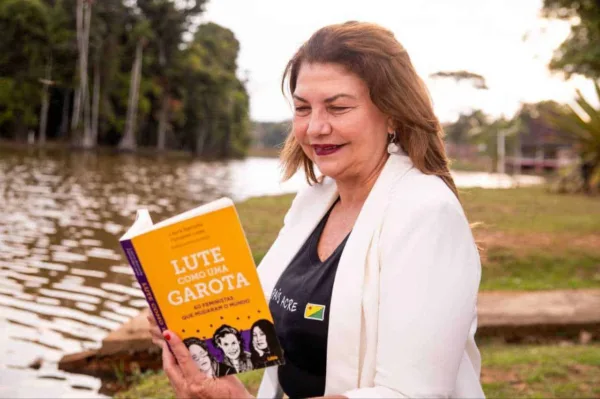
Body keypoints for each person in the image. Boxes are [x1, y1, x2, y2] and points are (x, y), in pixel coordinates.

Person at [148, 20, 484, 399]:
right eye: (303, 108)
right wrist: (183, 323)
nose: (315, 128)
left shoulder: (427, 213)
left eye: (338, 107)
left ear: (392, 114)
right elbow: (265, 324)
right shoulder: (314, 199)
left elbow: (409, 394)